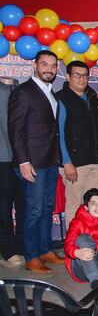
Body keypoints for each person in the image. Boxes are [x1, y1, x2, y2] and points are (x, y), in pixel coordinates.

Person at [8, 50, 64, 274]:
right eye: (44, 64)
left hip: (50, 161)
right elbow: (16, 130)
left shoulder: (51, 92)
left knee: (47, 208)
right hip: (32, 163)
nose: (49, 69)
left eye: (52, 65)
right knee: (33, 209)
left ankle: (44, 250)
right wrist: (23, 161)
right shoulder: (24, 92)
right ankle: (31, 256)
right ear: (34, 66)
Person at [56, 61, 98, 227]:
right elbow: (59, 133)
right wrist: (66, 161)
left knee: (93, 203)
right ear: (68, 77)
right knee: (74, 203)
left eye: (85, 75)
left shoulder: (92, 96)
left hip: (96, 160)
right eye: (77, 75)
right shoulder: (62, 99)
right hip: (75, 164)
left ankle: (90, 238)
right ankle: (74, 244)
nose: (81, 79)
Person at [0, 76, 24, 268]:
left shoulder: (18, 87)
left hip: (23, 158)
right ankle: (8, 250)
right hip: (3, 157)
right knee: (4, 207)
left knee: (25, 205)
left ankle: (22, 245)